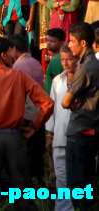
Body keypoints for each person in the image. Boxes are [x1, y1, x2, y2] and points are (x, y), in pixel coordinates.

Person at [0, 37, 53, 192]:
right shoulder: (19, 76)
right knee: (21, 190)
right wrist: (35, 126)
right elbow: (48, 103)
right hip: (15, 137)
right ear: (3, 55)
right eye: (11, 52)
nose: (14, 56)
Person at [62, 23, 99, 209]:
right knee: (86, 183)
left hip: (81, 130)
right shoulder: (92, 64)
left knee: (78, 185)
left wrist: (71, 102)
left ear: (83, 43)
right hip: (90, 129)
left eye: (72, 41)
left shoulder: (86, 67)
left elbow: (65, 101)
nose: (69, 45)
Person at [45, 46, 76, 211]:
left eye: (69, 59)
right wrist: (49, 134)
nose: (65, 63)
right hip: (59, 137)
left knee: (77, 179)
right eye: (63, 59)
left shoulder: (84, 77)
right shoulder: (57, 80)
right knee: (61, 180)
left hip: (78, 138)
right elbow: (52, 108)